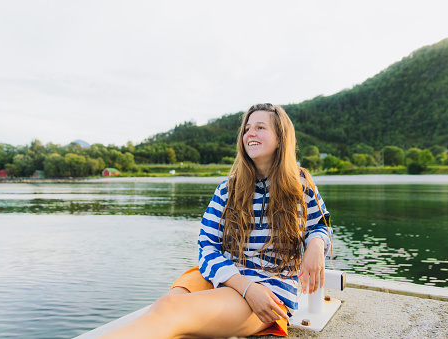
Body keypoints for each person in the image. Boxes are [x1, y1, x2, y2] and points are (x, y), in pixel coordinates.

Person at [99, 103, 332, 338]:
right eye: (247, 128)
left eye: (260, 127)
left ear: (281, 138)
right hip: (222, 277)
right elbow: (206, 245)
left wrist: (316, 244)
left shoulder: (300, 184)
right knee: (165, 306)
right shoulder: (228, 188)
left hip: (269, 288)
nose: (250, 133)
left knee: (173, 314)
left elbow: (320, 225)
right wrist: (245, 287)